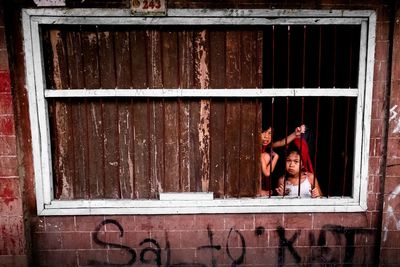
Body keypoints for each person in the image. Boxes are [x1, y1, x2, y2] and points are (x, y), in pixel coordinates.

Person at [258, 124, 306, 196]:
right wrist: (276, 157)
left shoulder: (268, 146)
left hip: (262, 181)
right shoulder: (258, 152)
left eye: (270, 133)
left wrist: (295, 134)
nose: (266, 136)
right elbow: (267, 173)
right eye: (264, 132)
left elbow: (282, 142)